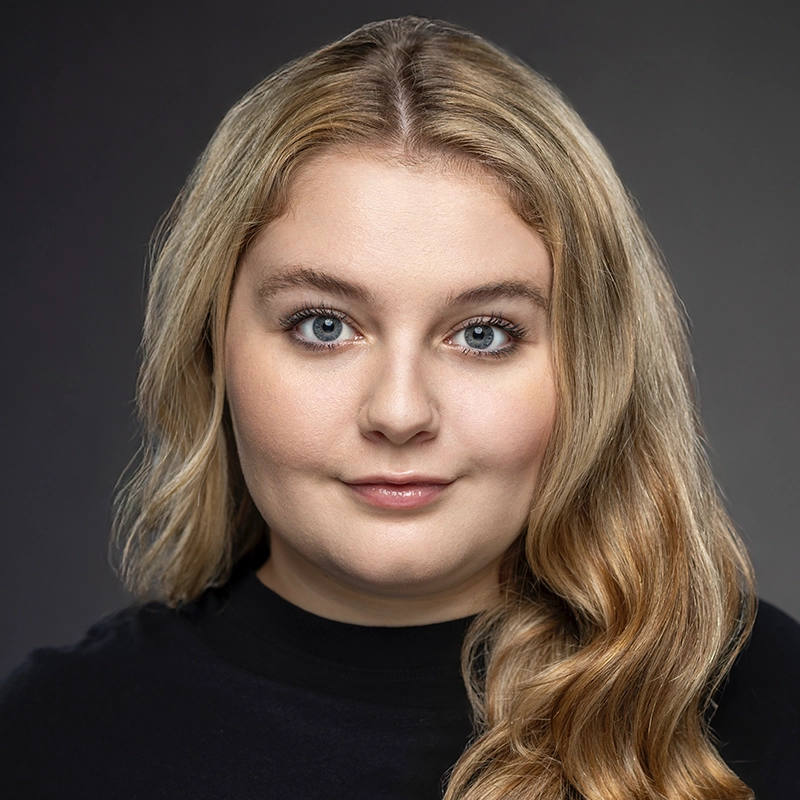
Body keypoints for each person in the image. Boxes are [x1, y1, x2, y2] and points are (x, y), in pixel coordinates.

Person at [1, 16, 798, 800]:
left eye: (483, 334)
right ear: (210, 347)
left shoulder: (772, 703)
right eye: (323, 326)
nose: (400, 411)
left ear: (594, 366)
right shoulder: (47, 742)